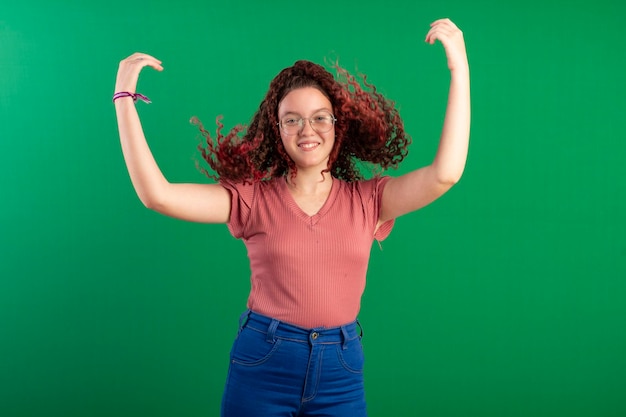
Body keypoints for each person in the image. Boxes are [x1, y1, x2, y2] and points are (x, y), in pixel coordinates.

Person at [114, 18, 469, 417]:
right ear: (277, 129)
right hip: (264, 361)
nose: (307, 129)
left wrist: (459, 70)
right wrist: (124, 96)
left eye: (320, 116)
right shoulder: (253, 200)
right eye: (292, 119)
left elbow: (446, 174)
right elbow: (157, 196)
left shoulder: (369, 200)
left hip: (341, 368)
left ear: (338, 125)